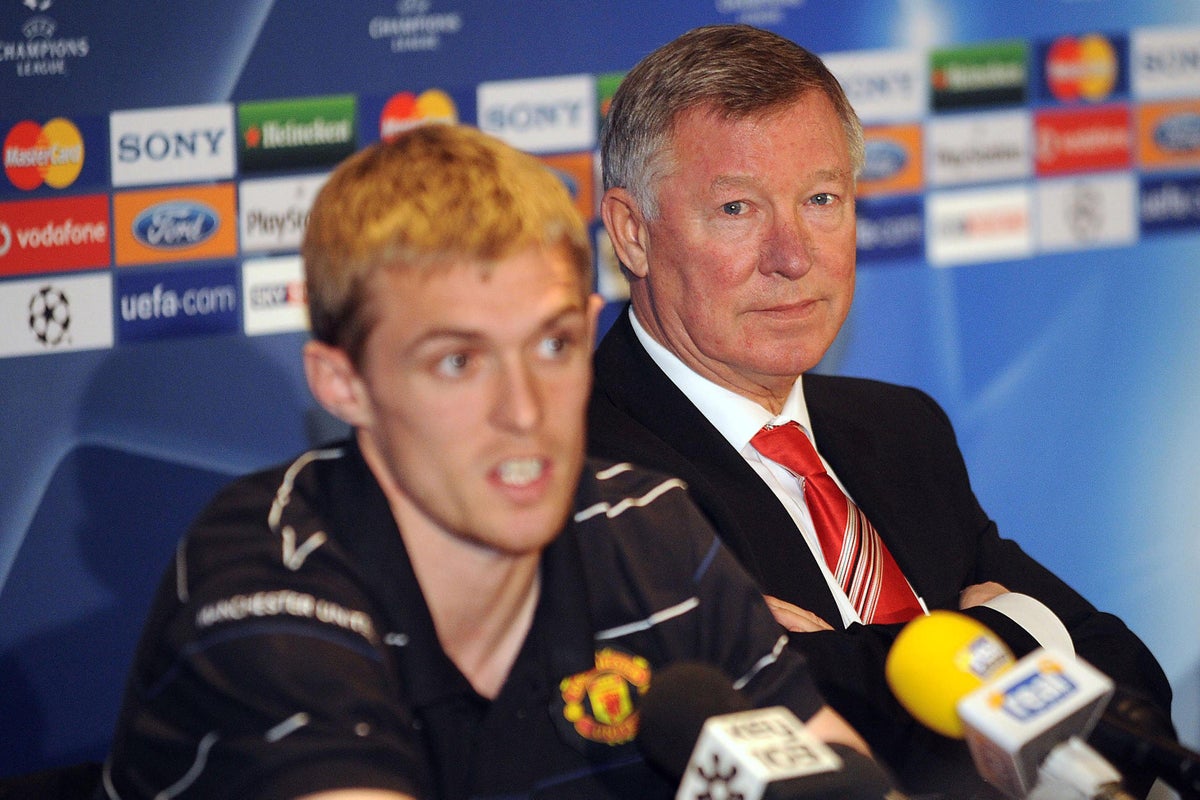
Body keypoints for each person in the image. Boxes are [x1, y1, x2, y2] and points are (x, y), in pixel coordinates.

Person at [100, 123, 874, 800]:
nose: (525, 411)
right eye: (458, 362)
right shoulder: (272, 574)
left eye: (553, 345)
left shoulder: (649, 535)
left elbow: (837, 776)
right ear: (343, 385)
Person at [589, 23, 1176, 797]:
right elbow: (815, 759)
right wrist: (1026, 632)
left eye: (821, 199)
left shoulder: (899, 429)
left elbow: (1133, 698)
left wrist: (862, 658)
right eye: (736, 208)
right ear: (632, 232)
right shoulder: (592, 478)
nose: (793, 255)